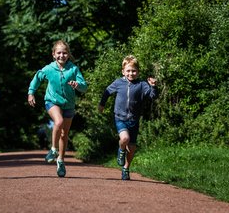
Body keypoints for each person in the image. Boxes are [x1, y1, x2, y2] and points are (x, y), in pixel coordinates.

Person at [28, 40, 87, 177]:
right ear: (54, 54)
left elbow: (84, 87)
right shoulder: (49, 69)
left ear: (69, 54)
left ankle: (60, 160)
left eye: (65, 53)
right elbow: (37, 78)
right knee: (58, 122)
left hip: (69, 104)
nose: (62, 55)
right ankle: (53, 150)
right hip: (52, 101)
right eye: (59, 53)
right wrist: (31, 92)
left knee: (64, 134)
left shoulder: (73, 69)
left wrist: (77, 84)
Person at [98, 55, 157, 180]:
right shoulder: (118, 82)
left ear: (138, 72)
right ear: (123, 71)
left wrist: (153, 86)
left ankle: (126, 168)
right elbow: (107, 91)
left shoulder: (142, 84)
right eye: (128, 71)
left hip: (134, 120)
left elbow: (151, 96)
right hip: (120, 117)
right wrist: (102, 104)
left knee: (132, 146)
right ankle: (121, 150)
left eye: (134, 71)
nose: (131, 73)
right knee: (125, 139)